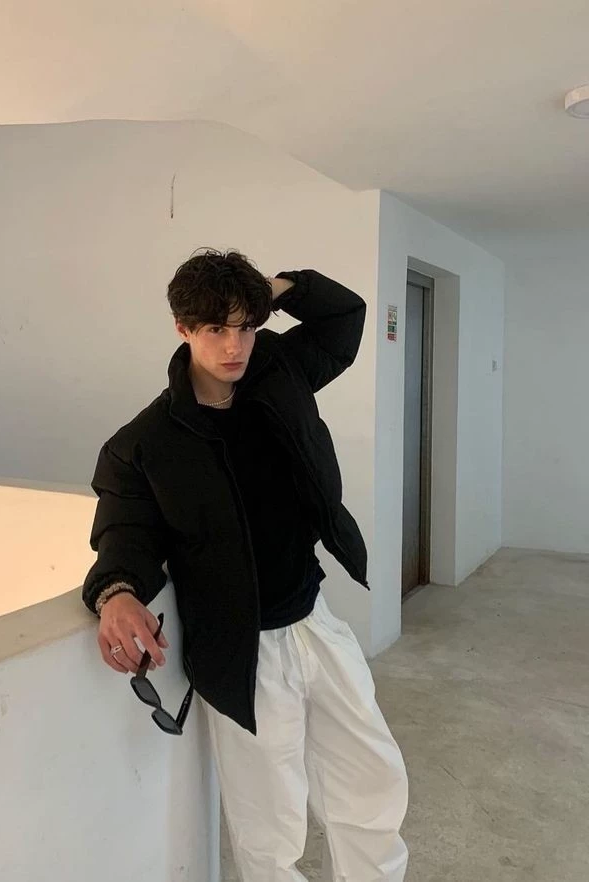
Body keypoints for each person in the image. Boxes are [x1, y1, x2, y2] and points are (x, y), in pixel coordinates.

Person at [83, 249, 409, 882]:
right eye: (215, 328)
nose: (234, 346)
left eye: (246, 326)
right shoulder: (143, 445)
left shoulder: (279, 374)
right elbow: (124, 531)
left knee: (371, 781)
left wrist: (269, 289)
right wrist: (116, 592)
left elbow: (344, 316)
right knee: (270, 822)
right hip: (240, 650)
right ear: (183, 328)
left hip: (313, 620)